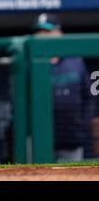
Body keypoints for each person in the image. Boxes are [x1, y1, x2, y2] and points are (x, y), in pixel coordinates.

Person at [32, 13, 94, 162]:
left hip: (71, 138)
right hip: (38, 140)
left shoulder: (75, 60)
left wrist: (82, 126)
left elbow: (88, 97)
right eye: (38, 31)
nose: (42, 35)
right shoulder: (29, 63)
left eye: (47, 31)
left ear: (59, 33)